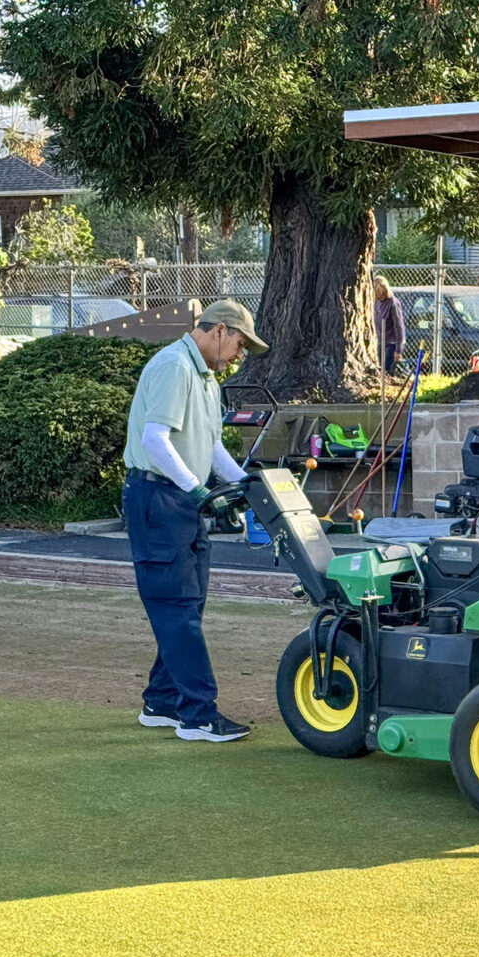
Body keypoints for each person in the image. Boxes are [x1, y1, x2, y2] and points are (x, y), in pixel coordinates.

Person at [122, 299, 268, 742]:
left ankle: (162, 702)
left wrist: (250, 486)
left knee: (190, 602)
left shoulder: (205, 378)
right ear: (219, 331)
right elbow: (156, 441)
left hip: (179, 498)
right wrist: (199, 490)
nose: (240, 355)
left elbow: (210, 448)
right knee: (176, 606)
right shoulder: (175, 368)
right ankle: (198, 715)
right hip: (157, 497)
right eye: (240, 344)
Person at [373, 275, 406, 373]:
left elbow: (399, 326)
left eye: (375, 289)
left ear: (382, 289)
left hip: (391, 343)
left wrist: (398, 349)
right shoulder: (377, 302)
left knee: (387, 370)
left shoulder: (393, 303)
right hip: (380, 341)